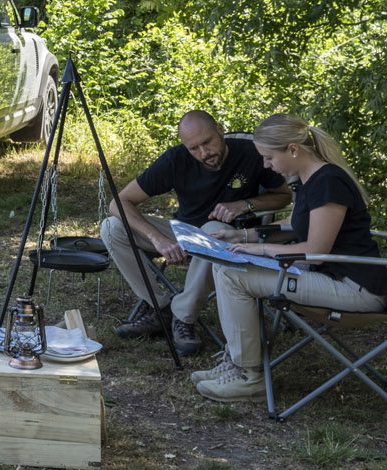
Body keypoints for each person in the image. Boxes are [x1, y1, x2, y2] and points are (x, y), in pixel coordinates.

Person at [192, 114, 387, 401]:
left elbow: (314, 251)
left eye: (269, 157)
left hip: (355, 289)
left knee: (231, 273)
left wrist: (257, 250)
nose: (266, 165)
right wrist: (241, 236)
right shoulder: (310, 179)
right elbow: (294, 225)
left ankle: (249, 376)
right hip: (332, 277)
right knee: (228, 265)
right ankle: (237, 363)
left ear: (293, 150)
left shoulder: (328, 182)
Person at [102, 110, 292, 355]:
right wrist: (157, 239)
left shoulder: (251, 154)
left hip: (227, 238)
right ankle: (159, 307)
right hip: (183, 232)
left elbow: (283, 196)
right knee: (112, 227)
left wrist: (246, 205)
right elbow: (119, 203)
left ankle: (183, 316)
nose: (204, 154)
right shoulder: (176, 159)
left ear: (220, 130)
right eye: (194, 149)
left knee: (212, 230)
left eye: (207, 143)